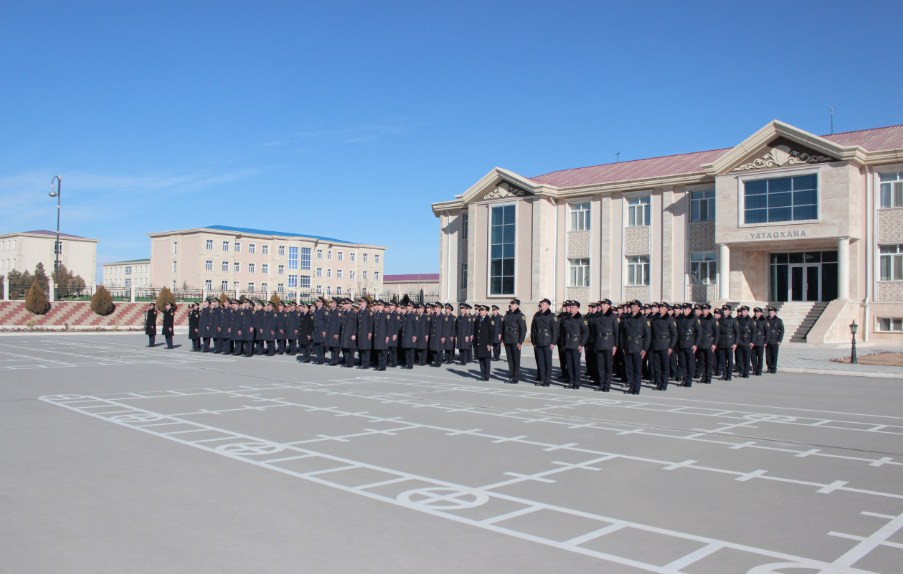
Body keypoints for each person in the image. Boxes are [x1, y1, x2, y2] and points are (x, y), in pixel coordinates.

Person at [620, 300, 650, 395]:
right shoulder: (626, 318)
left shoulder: (643, 319)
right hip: (628, 345)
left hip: (637, 346)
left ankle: (636, 388)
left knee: (637, 369)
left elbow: (647, 336)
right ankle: (631, 387)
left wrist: (644, 349)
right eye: (631, 305)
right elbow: (622, 334)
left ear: (638, 307)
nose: (632, 307)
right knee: (629, 369)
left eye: (634, 305)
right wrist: (623, 346)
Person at [589, 299, 618, 392]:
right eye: (601, 304)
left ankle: (607, 385)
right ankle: (601, 384)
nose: (602, 305)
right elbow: (594, 331)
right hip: (599, 341)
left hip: (609, 342)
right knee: (600, 365)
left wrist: (615, 345)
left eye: (604, 304)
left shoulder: (613, 317)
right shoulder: (598, 316)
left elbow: (616, 332)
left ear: (608, 306)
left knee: (608, 366)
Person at [559, 300, 589, 389]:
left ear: (577, 308)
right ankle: (571, 382)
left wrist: (581, 344)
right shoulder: (567, 318)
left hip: (576, 343)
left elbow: (585, 332)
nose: (571, 309)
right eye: (570, 307)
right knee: (569, 364)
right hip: (568, 343)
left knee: (576, 364)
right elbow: (563, 332)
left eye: (573, 307)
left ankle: (577, 382)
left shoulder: (581, 319)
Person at [531, 298, 559, 387]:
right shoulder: (537, 315)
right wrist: (533, 341)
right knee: (540, 362)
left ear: (548, 305)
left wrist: (553, 343)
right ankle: (542, 379)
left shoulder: (552, 316)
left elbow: (555, 330)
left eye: (543, 304)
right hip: (538, 340)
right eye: (541, 303)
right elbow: (533, 329)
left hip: (547, 341)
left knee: (547, 362)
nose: (541, 305)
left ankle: (547, 380)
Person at [650, 303, 677, 391]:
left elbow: (674, 334)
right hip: (655, 344)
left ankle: (664, 384)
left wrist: (671, 347)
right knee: (657, 366)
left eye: (662, 307)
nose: (660, 309)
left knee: (665, 366)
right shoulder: (654, 319)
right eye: (659, 307)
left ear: (666, 309)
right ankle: (658, 383)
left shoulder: (670, 320)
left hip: (665, 344)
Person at [502, 298, 528, 383]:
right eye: (510, 303)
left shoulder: (520, 315)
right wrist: (503, 338)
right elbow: (503, 327)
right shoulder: (507, 315)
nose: (510, 305)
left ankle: (515, 377)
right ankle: (511, 375)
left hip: (515, 340)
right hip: (507, 340)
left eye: (512, 304)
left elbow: (523, 329)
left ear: (517, 305)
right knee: (510, 359)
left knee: (516, 359)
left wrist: (520, 341)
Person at [676, 303, 701, 387]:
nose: (684, 310)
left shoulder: (694, 319)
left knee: (690, 363)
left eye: (686, 309)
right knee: (682, 363)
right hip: (681, 343)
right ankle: (684, 379)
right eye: (683, 308)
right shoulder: (679, 318)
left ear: (690, 310)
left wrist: (696, 344)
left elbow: (699, 333)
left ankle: (689, 380)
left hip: (690, 344)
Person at [716, 305, 739, 381]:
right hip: (721, 342)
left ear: (729, 311)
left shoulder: (733, 320)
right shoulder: (719, 320)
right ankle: (724, 374)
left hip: (729, 342)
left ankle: (728, 375)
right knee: (722, 360)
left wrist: (735, 343)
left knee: (729, 360)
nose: (724, 311)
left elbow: (737, 333)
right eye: (723, 310)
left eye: (726, 310)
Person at [474, 305, 494, 380]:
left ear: (486, 312)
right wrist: (475, 342)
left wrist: (490, 344)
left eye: (482, 310)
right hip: (479, 344)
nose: (480, 311)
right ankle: (482, 375)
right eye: (480, 310)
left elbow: (492, 333)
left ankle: (486, 376)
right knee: (481, 360)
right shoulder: (477, 320)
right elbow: (476, 332)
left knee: (486, 361)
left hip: (486, 344)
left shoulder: (489, 320)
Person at [764, 306, 784, 373]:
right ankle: (769, 367)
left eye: (772, 312)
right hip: (767, 340)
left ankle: (774, 368)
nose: (770, 313)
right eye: (769, 311)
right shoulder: (766, 319)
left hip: (775, 340)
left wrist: (779, 340)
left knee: (774, 355)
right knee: (768, 355)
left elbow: (782, 330)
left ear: (775, 313)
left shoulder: (778, 320)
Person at [736, 306, 754, 378]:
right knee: (739, 358)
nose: (743, 312)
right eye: (742, 311)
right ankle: (741, 371)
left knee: (746, 358)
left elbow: (754, 331)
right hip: (739, 341)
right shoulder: (737, 319)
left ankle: (746, 373)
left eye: (744, 311)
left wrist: (752, 341)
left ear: (747, 312)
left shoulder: (750, 320)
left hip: (747, 341)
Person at [356, 298, 373, 369]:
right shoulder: (359, 312)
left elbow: (371, 323)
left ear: (366, 303)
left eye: (362, 302)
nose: (360, 303)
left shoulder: (368, 312)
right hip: (360, 333)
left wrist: (370, 332)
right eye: (360, 302)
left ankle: (366, 364)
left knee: (366, 349)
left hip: (366, 333)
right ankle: (363, 363)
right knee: (362, 349)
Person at [751, 307, 767, 376]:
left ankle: (759, 370)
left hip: (760, 341)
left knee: (760, 357)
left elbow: (767, 332)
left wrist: (765, 342)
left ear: (761, 313)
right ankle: (754, 369)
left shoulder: (764, 321)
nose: (756, 313)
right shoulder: (752, 320)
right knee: (753, 357)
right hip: (752, 342)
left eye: (757, 312)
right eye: (755, 312)